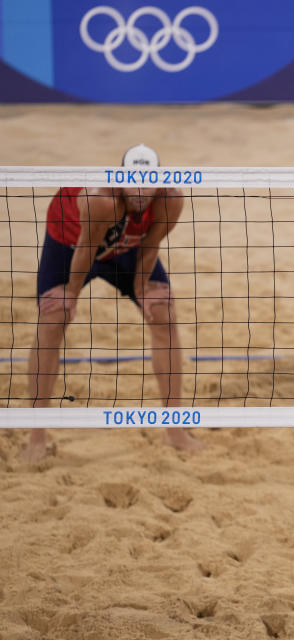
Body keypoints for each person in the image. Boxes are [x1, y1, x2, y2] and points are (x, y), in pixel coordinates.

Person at [20, 144, 203, 462]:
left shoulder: (169, 199)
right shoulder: (101, 199)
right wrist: (71, 294)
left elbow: (151, 244)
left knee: (163, 311)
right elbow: (86, 250)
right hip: (72, 241)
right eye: (134, 181)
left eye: (149, 182)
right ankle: (37, 436)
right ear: (119, 179)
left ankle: (175, 430)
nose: (141, 190)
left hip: (126, 249)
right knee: (53, 317)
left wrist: (141, 288)